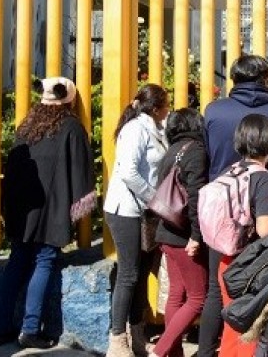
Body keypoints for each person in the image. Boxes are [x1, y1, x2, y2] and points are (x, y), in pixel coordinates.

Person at [198, 55, 268, 357]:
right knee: (261, 291)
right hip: (265, 205)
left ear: (234, 78)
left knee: (218, 288)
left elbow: (206, 158)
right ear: (265, 78)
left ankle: (206, 351)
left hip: (224, 210)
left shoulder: (214, 110)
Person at [0, 77, 95, 349]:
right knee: (44, 260)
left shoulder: (26, 125)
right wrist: (80, 205)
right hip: (52, 208)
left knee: (17, 261)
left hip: (22, 209)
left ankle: (0, 328)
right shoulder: (72, 126)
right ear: (69, 99)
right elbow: (81, 169)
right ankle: (29, 329)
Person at [103, 84, 170, 357]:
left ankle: (138, 334)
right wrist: (155, 199)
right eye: (166, 105)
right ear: (155, 108)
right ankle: (117, 340)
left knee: (141, 273)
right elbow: (128, 171)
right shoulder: (135, 130)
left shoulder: (154, 129)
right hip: (127, 209)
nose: (168, 110)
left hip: (144, 210)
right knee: (129, 273)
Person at [217, 114, 268, 357]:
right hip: (251, 266)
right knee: (251, 328)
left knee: (232, 325)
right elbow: (264, 229)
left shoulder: (231, 171)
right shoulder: (264, 179)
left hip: (226, 260)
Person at [149, 108, 208, 357]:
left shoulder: (171, 152)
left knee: (177, 293)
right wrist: (196, 235)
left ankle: (173, 353)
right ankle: (161, 351)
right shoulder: (195, 152)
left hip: (165, 232)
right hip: (184, 236)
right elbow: (196, 197)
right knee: (198, 297)